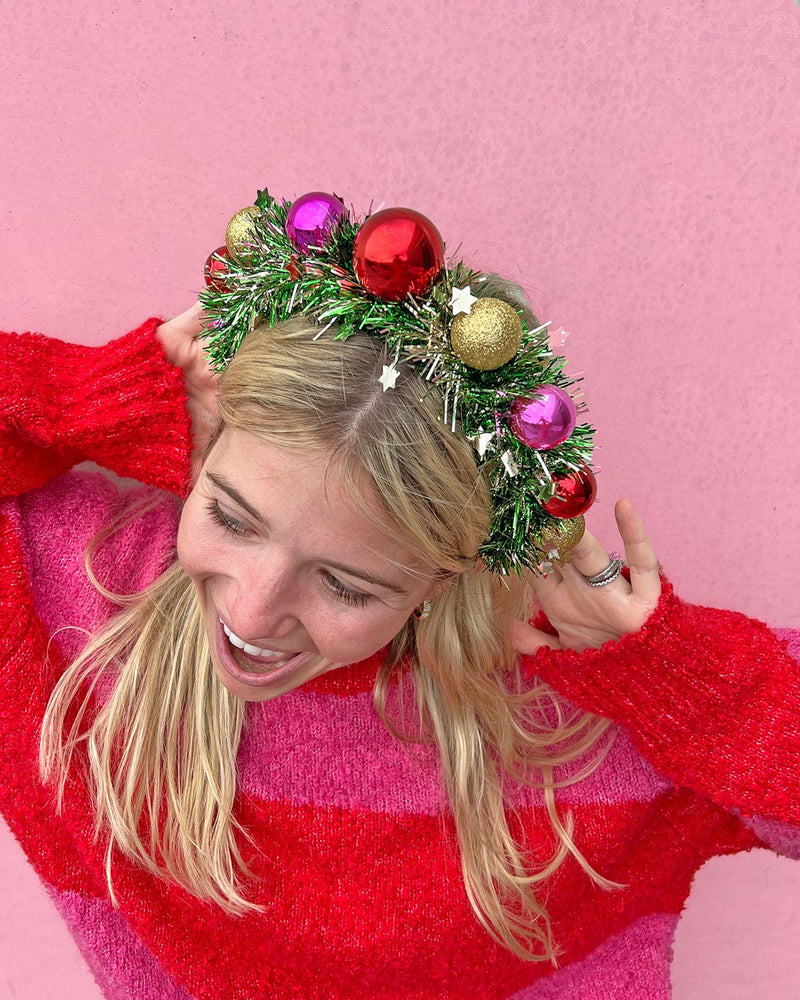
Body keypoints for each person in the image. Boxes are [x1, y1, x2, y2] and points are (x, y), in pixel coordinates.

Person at [1, 192, 798, 1000]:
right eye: (231, 518)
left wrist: (672, 679)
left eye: (345, 583)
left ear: (441, 578)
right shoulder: (78, 619)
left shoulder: (584, 722)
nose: (249, 614)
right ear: (200, 461)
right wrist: (100, 399)